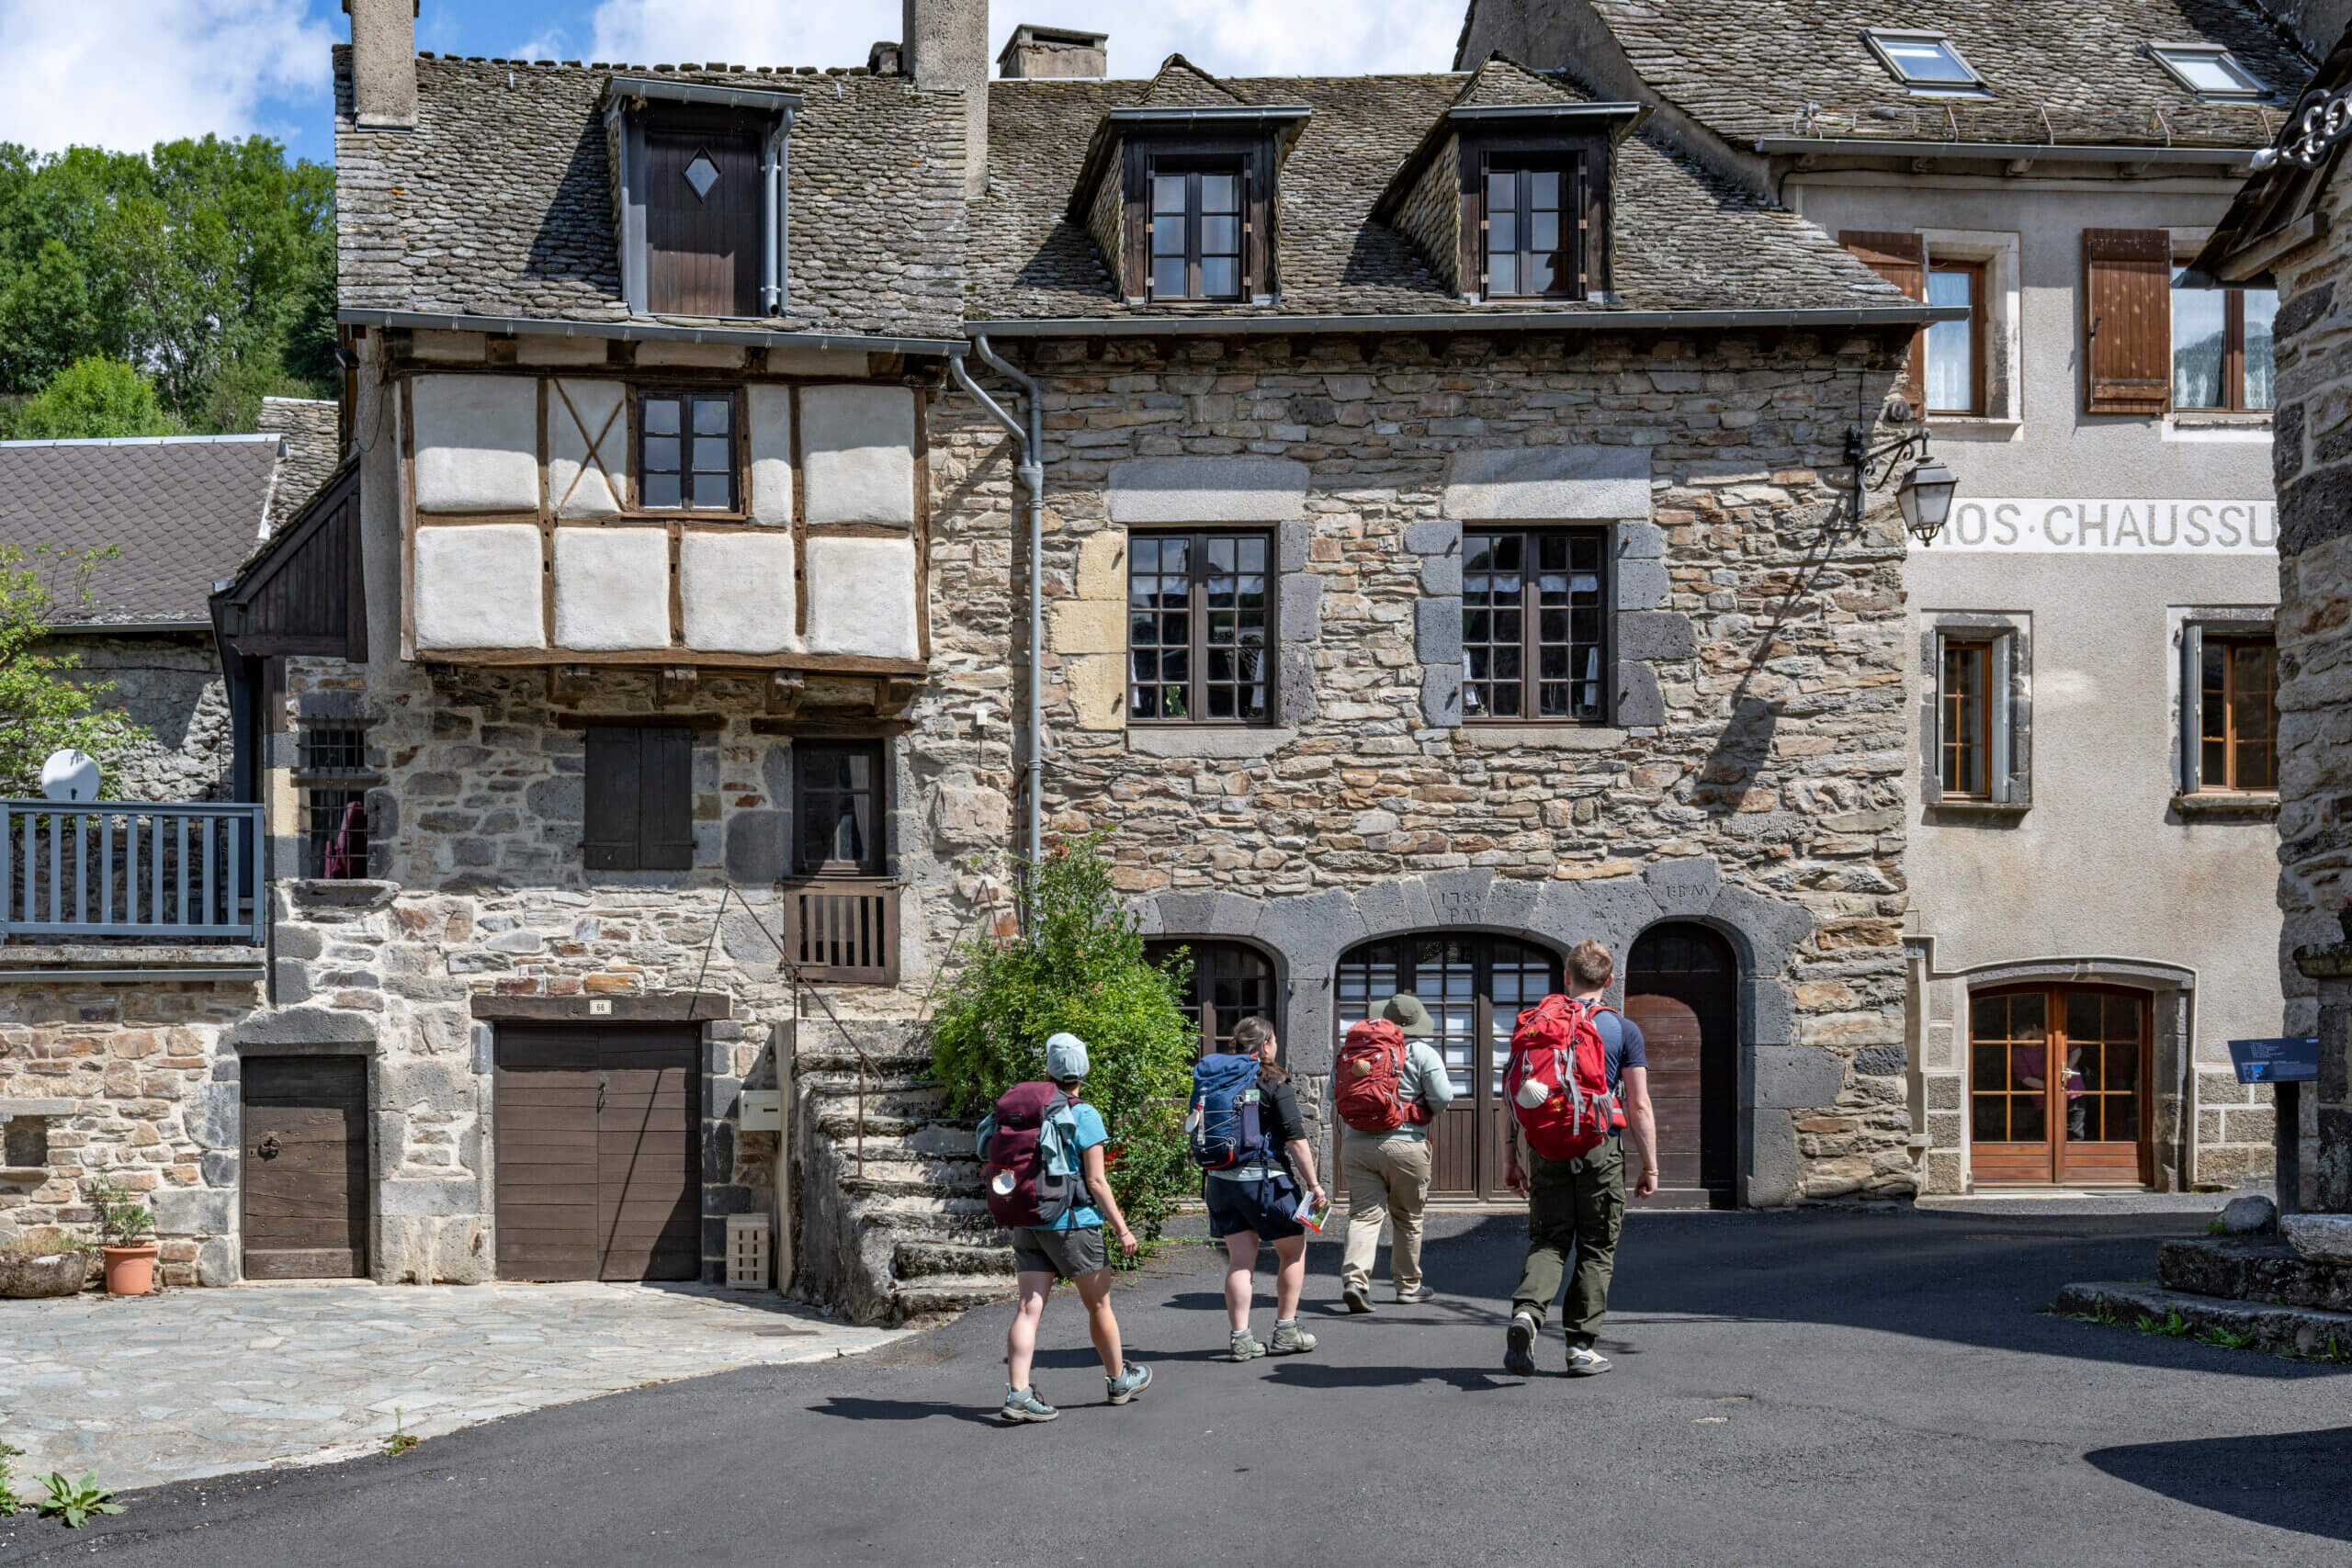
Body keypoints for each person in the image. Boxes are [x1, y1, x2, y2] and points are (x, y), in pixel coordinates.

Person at [1499, 940, 1657, 1379]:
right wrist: (1651, 1165)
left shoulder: (1536, 1024)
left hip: (1545, 1145)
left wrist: (1511, 1157)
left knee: (1548, 1240)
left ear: (1566, 977)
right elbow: (1640, 1105)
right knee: (1595, 1245)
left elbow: (1511, 1097)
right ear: (1609, 981)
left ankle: (1528, 1316)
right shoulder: (1622, 1030)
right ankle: (1580, 1348)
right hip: (1598, 1146)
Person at [991, 1031, 1152, 1423]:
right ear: (1085, 1069)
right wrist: (1122, 1228)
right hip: (1073, 1224)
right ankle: (1118, 1380)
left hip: (1028, 1218)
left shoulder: (1026, 1110)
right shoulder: (1084, 1113)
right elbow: (1096, 1182)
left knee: (1029, 1308)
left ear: (1048, 1068)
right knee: (1098, 1304)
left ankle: (1018, 1393)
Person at [1203, 1015, 1328, 1360]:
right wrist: (1314, 1184)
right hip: (1265, 1184)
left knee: (1240, 1261)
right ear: (1268, 1045)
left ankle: (1241, 1340)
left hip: (1221, 1182)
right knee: (1293, 1250)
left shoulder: (1217, 1078)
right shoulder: (1275, 1081)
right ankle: (1286, 1330)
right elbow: (1296, 1139)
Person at [1337, 993, 1455, 1314]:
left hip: (1357, 1144)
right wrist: (1420, 1110)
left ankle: (1355, 1281)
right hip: (1405, 1145)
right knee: (1407, 1217)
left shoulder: (1356, 1052)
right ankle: (1407, 1286)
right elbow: (1443, 1097)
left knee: (1363, 1215)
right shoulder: (1423, 1053)